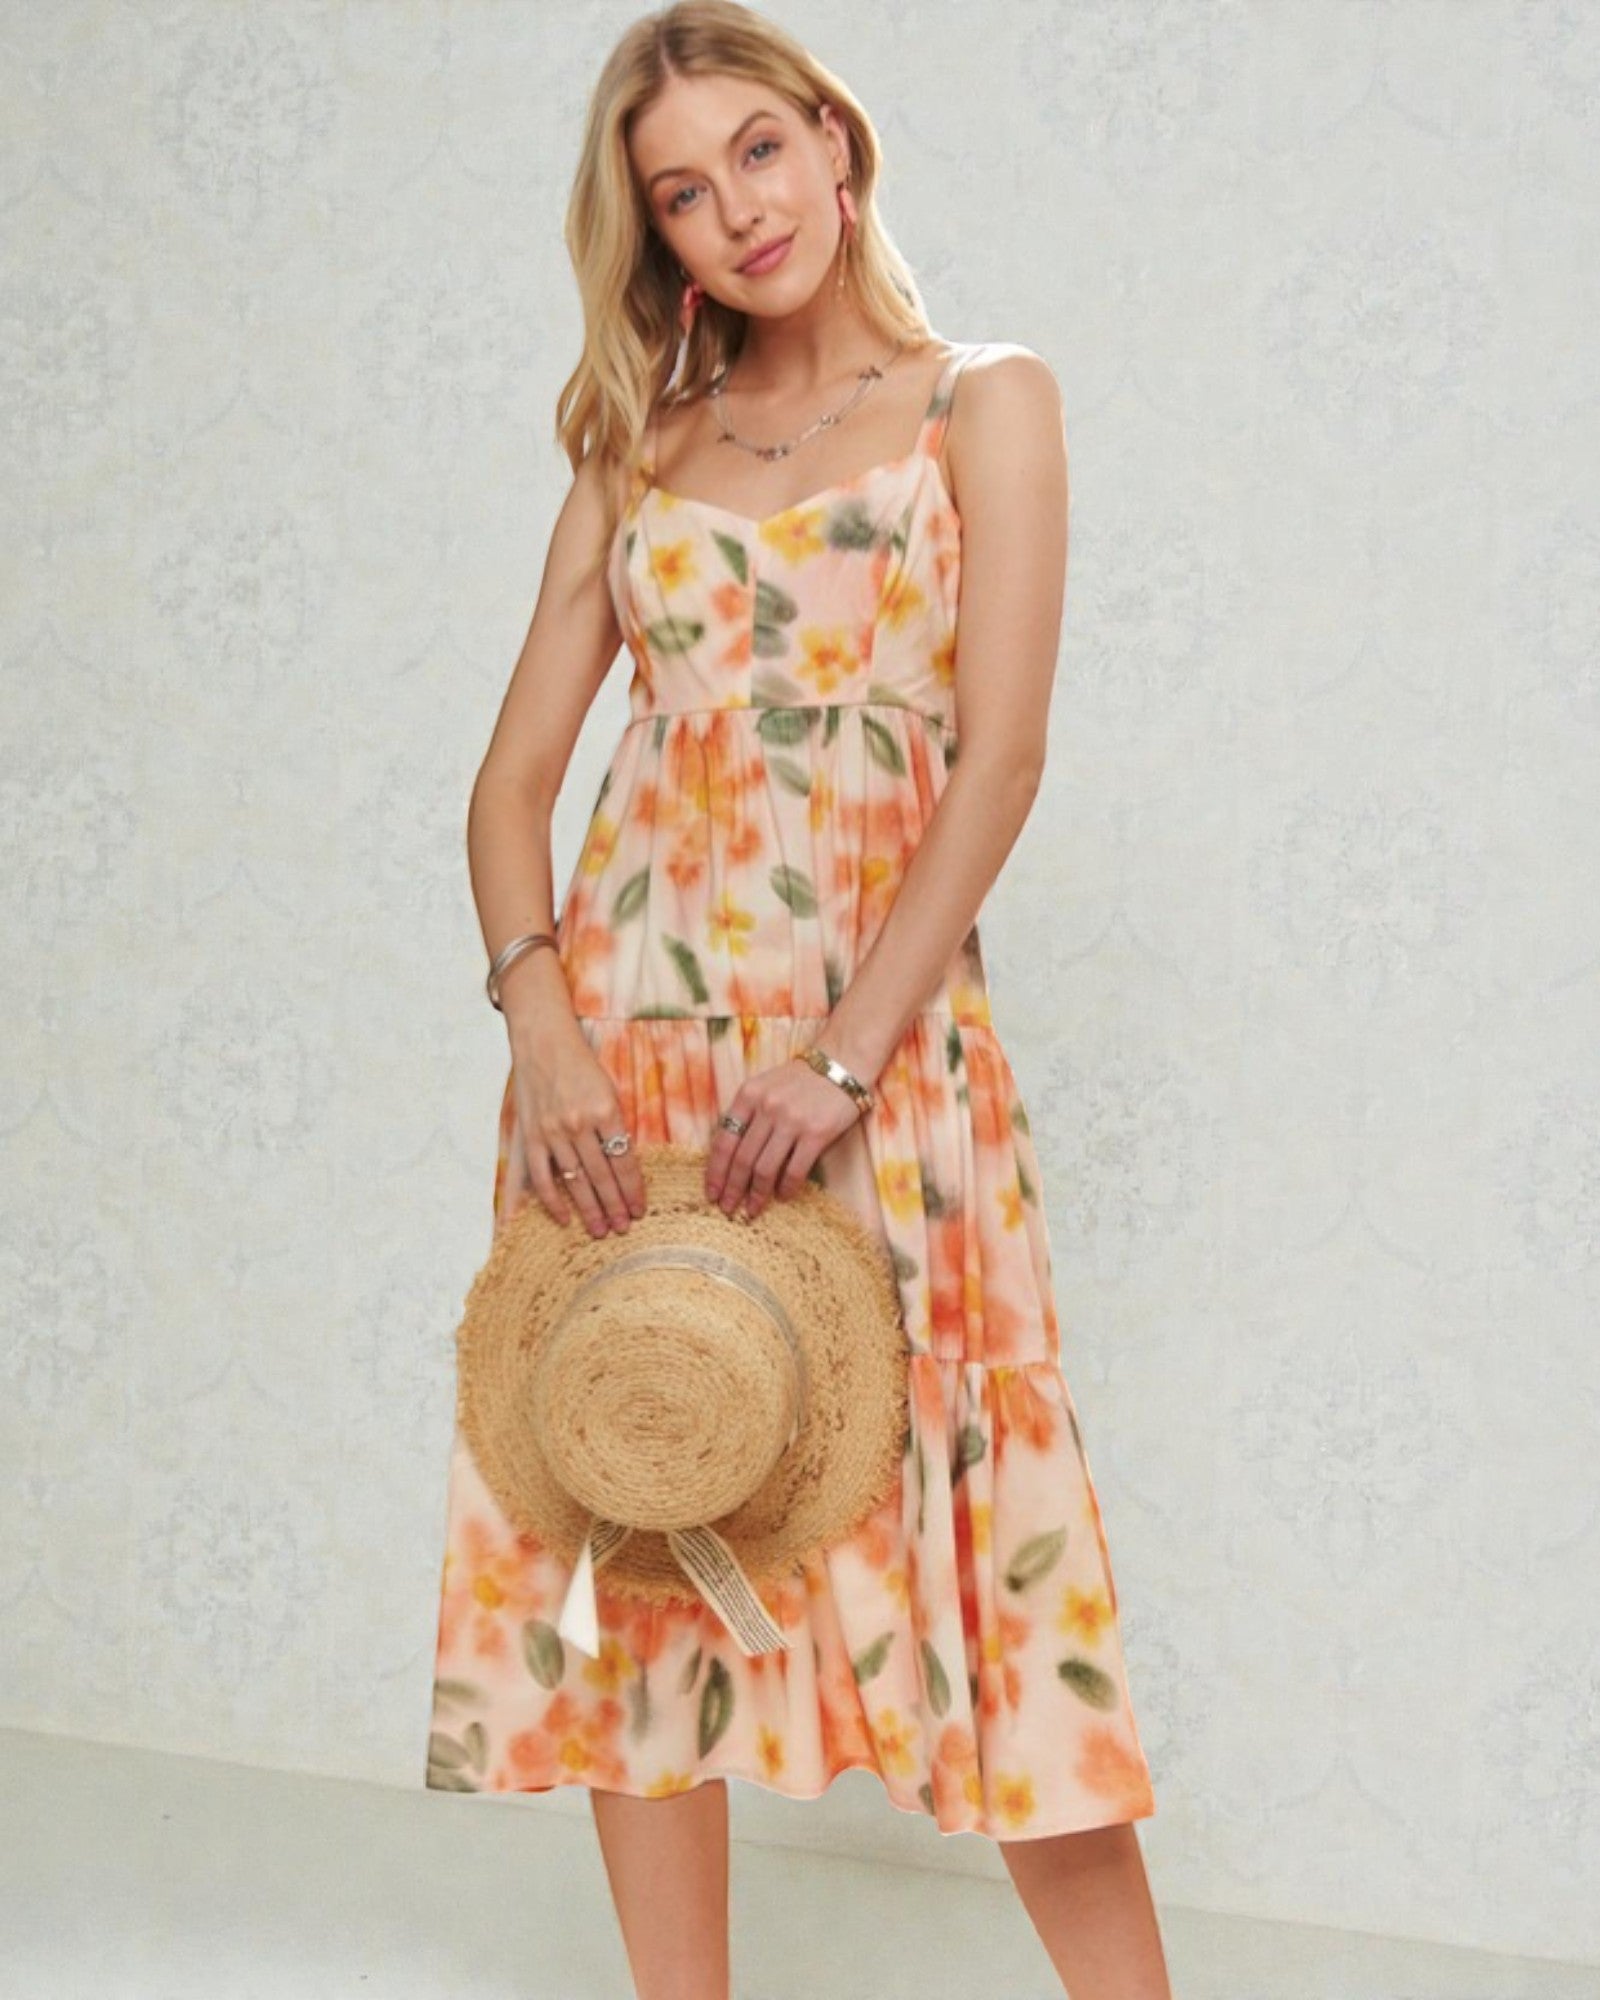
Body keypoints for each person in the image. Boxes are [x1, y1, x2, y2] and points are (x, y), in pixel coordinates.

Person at [426, 4, 1174, 1996]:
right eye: (679, 191)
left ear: (832, 144)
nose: (731, 212)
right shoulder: (637, 444)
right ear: (653, 237)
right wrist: (547, 1033)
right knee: (641, 1529)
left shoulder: (976, 404)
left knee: (994, 1566)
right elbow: (508, 789)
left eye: (754, 154)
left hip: (875, 1070)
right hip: (626, 1080)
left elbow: (996, 762)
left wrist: (844, 1056)